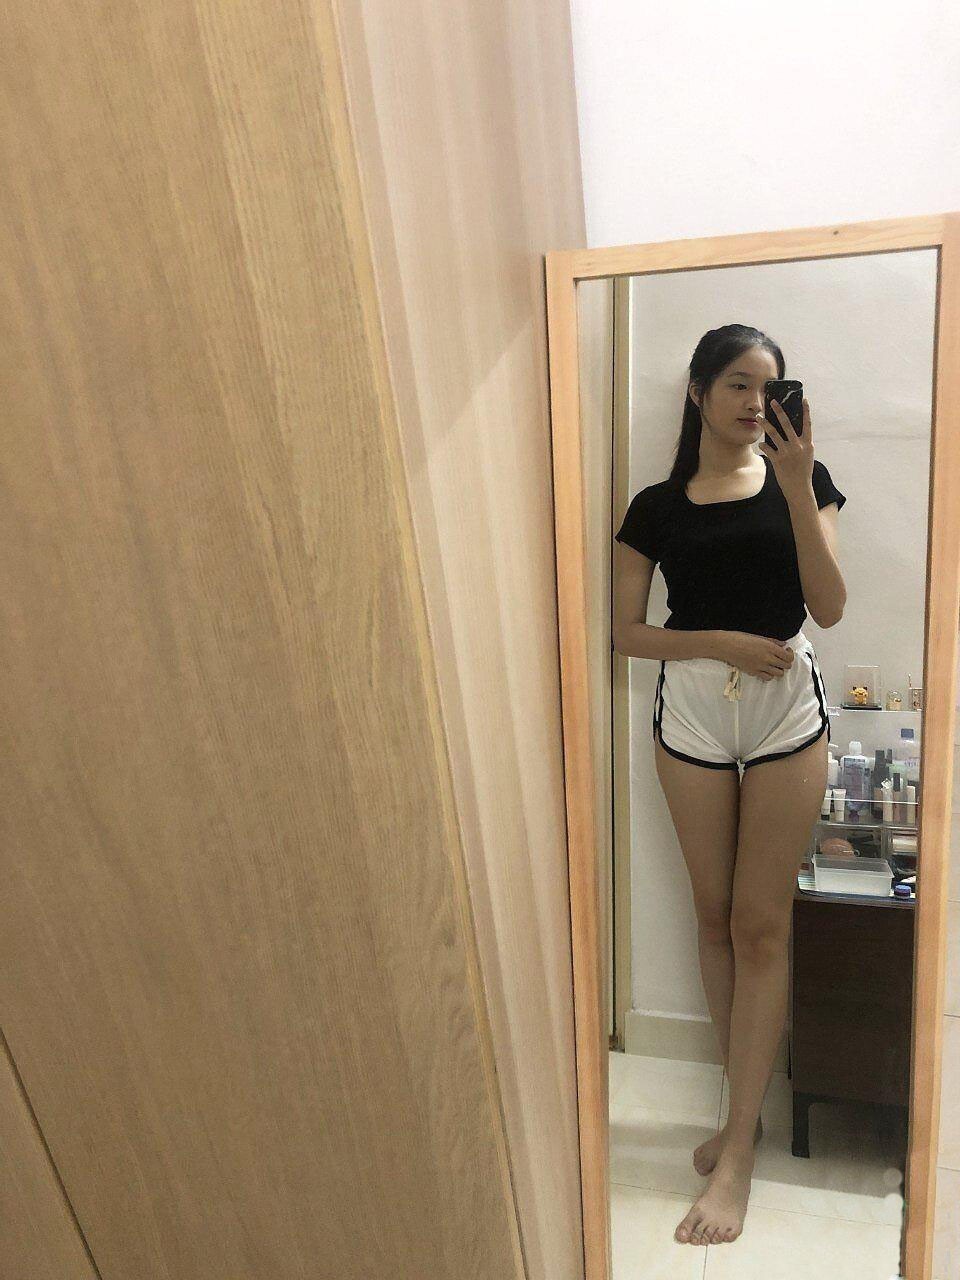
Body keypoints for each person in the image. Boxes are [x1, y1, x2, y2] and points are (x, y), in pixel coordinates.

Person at [612, 324, 847, 1246]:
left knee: (760, 924)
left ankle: (739, 1152)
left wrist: (797, 487)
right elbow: (627, 634)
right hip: (694, 711)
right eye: (739, 385)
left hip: (786, 710)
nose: (756, 403)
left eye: (770, 388)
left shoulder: (806, 483)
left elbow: (829, 606)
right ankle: (736, 1113)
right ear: (699, 392)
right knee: (713, 916)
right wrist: (719, 642)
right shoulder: (656, 506)